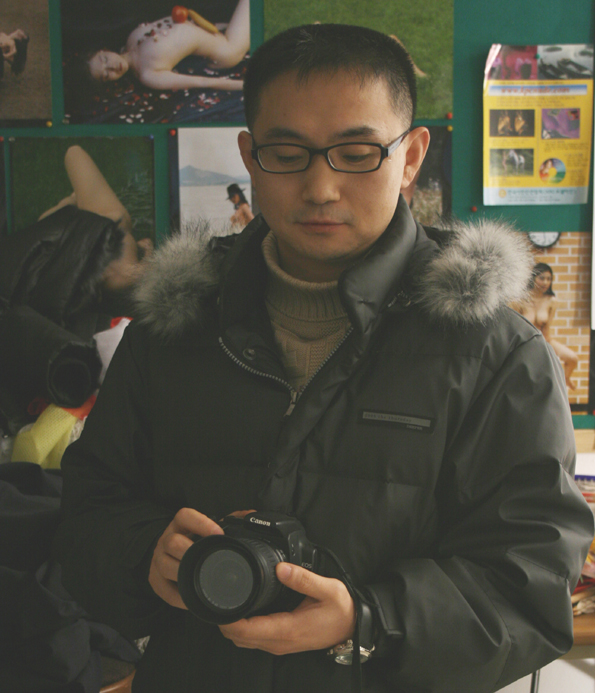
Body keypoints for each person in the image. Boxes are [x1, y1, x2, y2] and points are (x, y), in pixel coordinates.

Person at [53, 24, 594, 693]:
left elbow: (530, 588)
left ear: (411, 156)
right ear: (250, 157)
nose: (320, 187)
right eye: (287, 153)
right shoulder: (173, 329)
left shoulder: (496, 354)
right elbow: (85, 516)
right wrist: (145, 555)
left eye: (357, 153)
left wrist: (368, 622)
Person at [37, 144, 154, 293]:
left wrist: (148, 249)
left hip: (104, 224)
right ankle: (73, 201)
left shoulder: (127, 276)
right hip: (96, 229)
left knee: (73, 152)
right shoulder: (123, 277)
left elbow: (145, 265)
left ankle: (72, 201)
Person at [85, 0, 249, 92]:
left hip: (214, 28)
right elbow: (202, 82)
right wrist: (247, 87)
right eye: (106, 75)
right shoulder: (148, 76)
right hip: (227, 48)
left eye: (104, 59)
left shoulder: (132, 38)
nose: (112, 67)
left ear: (104, 50)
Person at [514, 262, 578, 390]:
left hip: (543, 340)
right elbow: (514, 327)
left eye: (549, 279)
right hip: (524, 342)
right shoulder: (521, 300)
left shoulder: (552, 301)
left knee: (572, 358)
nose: (545, 282)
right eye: (542, 278)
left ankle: (565, 379)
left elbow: (547, 332)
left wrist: (547, 347)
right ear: (533, 278)